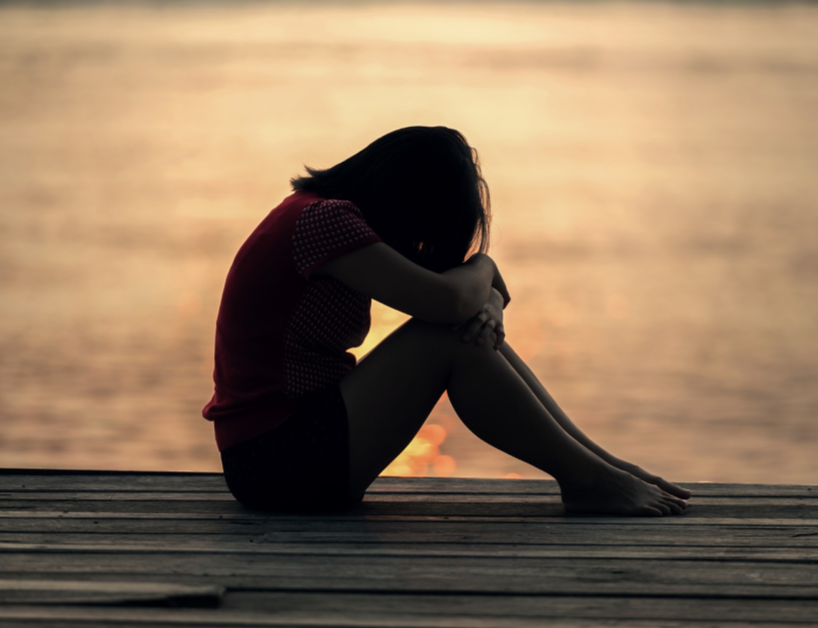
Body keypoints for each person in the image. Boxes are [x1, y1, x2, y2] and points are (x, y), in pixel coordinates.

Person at [203, 126, 690, 515]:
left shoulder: (320, 218)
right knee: (445, 337)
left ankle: (601, 468)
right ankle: (590, 479)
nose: (419, 244)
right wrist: (485, 266)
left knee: (459, 332)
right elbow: (450, 301)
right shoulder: (324, 222)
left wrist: (490, 301)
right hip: (274, 462)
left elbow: (465, 300)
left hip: (289, 453)